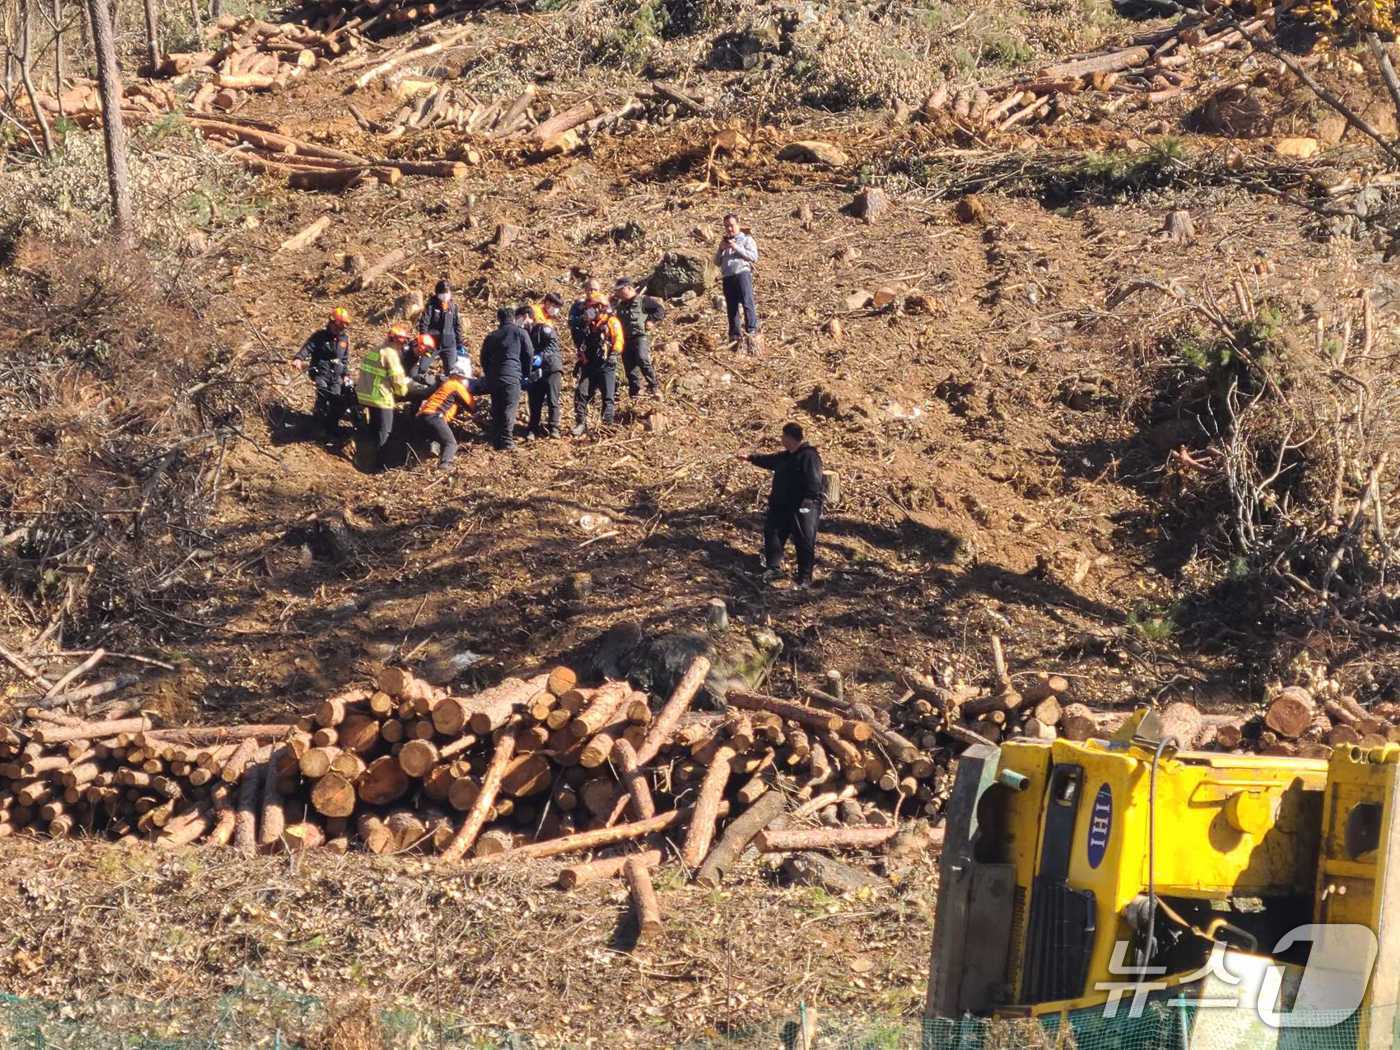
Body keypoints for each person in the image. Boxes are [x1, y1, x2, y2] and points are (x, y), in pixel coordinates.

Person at [736, 422, 824, 588]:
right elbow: (768, 460)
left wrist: (809, 500)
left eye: (783, 436)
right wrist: (749, 458)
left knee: (804, 540)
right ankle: (774, 568)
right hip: (781, 506)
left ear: (790, 437)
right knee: (773, 532)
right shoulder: (785, 456)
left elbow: (814, 481)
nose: (781, 439)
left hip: (802, 507)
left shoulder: (809, 456)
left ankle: (804, 578)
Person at [354, 322, 414, 471]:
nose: (404, 343)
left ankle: (368, 460)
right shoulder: (391, 354)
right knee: (385, 434)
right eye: (403, 340)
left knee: (375, 429)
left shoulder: (375, 350)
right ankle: (380, 467)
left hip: (366, 396)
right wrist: (404, 390)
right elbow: (398, 381)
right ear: (396, 339)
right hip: (381, 399)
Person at [290, 307, 353, 436]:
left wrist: (345, 374)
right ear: (331, 323)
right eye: (338, 326)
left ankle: (331, 427)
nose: (339, 329)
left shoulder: (344, 339)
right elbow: (307, 348)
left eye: (342, 327)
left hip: (336, 376)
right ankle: (316, 426)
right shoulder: (319, 336)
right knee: (323, 395)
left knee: (336, 401)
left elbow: (345, 359)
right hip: (321, 373)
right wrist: (298, 359)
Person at [479, 306, 533, 451]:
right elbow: (529, 353)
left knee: (497, 407)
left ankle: (496, 441)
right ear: (514, 318)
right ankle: (507, 441)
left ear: (499, 319)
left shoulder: (492, 336)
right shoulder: (520, 333)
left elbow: (483, 358)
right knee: (509, 408)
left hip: (495, 378)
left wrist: (489, 373)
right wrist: (526, 373)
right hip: (512, 376)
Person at [572, 291, 623, 436]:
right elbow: (582, 345)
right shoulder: (587, 325)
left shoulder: (611, 322)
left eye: (591, 307)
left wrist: (614, 354)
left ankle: (607, 426)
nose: (588, 310)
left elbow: (618, 339)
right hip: (589, 365)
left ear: (600, 307)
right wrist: (580, 361)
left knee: (608, 397)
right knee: (581, 393)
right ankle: (581, 423)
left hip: (606, 364)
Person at [715, 213, 761, 351]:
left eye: (731, 225)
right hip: (727, 277)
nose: (729, 229)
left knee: (747, 303)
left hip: (742, 274)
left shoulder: (746, 239)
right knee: (731, 307)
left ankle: (751, 331)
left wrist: (736, 247)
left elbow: (753, 256)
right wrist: (720, 249)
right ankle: (734, 335)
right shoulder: (725, 242)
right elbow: (716, 262)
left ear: (738, 224)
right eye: (726, 226)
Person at [613, 277, 664, 400]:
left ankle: (654, 387)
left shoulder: (643, 301)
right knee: (630, 369)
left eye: (621, 290)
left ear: (629, 288)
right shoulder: (620, 306)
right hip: (625, 340)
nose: (618, 293)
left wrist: (651, 321)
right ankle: (635, 395)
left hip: (640, 337)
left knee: (642, 359)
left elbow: (660, 310)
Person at [417, 360, 474, 468]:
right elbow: (471, 405)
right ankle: (445, 464)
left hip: (421, 416)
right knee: (451, 443)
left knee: (437, 439)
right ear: (460, 377)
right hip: (435, 416)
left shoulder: (443, 385)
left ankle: (424, 458)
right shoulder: (456, 385)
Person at [526, 293, 565, 439]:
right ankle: (532, 428)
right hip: (536, 366)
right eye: (554, 306)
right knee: (535, 399)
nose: (555, 310)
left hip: (551, 365)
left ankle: (554, 427)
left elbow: (552, 347)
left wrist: (540, 357)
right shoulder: (534, 313)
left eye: (557, 307)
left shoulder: (550, 323)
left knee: (552, 398)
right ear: (547, 302)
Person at [418, 280, 466, 373]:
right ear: (437, 293)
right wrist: (424, 338)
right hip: (432, 344)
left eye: (447, 292)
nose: (445, 295)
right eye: (442, 293)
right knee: (422, 369)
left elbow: (457, 325)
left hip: (449, 344)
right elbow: (424, 323)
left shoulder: (453, 307)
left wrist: (459, 342)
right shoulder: (431, 306)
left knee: (452, 371)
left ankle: (445, 385)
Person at [568, 278, 603, 352]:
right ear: (585, 290)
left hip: (599, 345)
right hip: (583, 344)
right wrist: (583, 318)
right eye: (590, 289)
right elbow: (571, 322)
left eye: (595, 290)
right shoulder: (578, 305)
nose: (592, 292)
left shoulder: (604, 306)